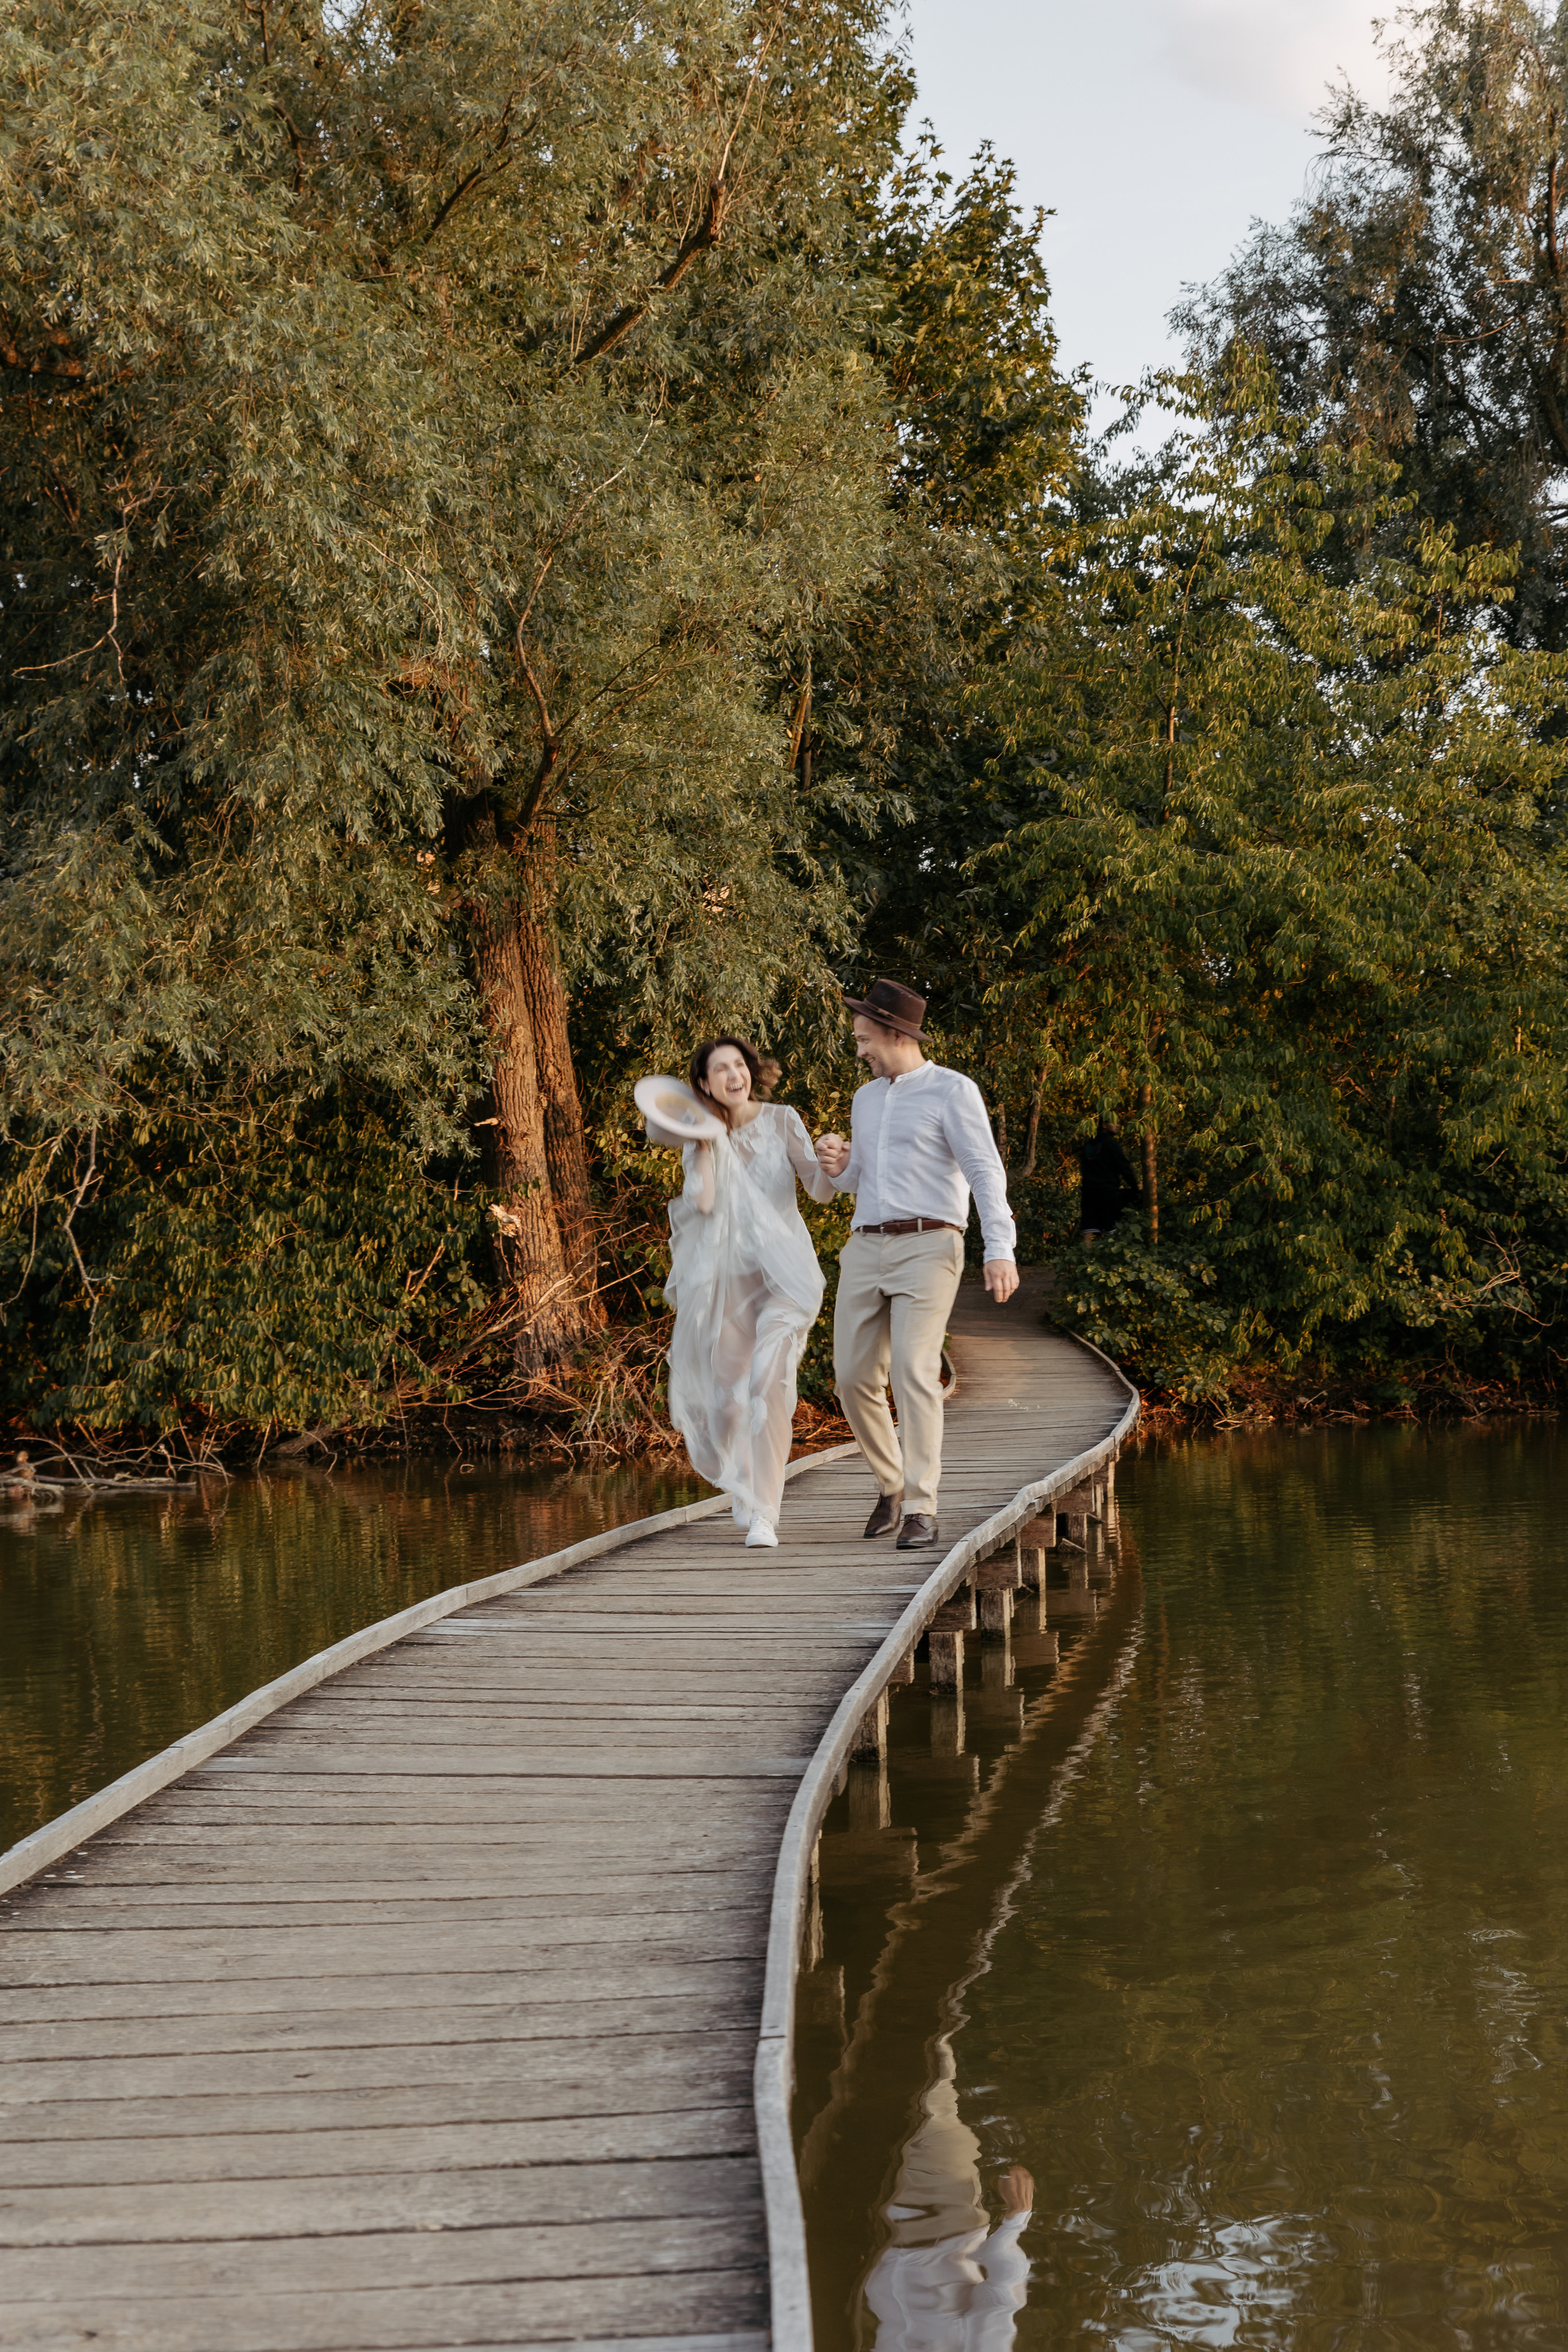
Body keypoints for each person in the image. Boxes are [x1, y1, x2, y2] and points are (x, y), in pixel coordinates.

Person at [815, 979, 1019, 1551]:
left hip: (931, 1245)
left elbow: (985, 1172)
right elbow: (857, 1181)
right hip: (865, 1245)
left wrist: (999, 1248)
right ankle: (893, 1484)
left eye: (864, 1039)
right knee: (853, 1379)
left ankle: (922, 1508)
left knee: (912, 1369)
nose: (859, 1050)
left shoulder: (953, 1091)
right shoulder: (866, 1099)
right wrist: (838, 1164)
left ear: (894, 1033)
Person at [665, 1036, 837, 1548]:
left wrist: (830, 1159)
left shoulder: (784, 1120)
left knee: (769, 1386)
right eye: (721, 1070)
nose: (734, 1075)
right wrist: (700, 1148)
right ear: (704, 1084)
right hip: (729, 1281)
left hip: (786, 1278)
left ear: (750, 1071)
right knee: (728, 1402)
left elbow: (821, 1191)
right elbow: (703, 1202)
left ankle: (766, 1511)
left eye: (739, 1065)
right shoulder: (702, 1135)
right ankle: (739, 1479)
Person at [863, 2037, 1035, 2352]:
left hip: (872, 2242)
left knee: (872, 2103)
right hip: (938, 2215)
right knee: (932, 2100)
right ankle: (928, 2012)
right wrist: (1016, 2218)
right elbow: (1001, 2289)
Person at [1077, 1117, 1141, 1245]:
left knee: (1088, 1228)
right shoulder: (1111, 1144)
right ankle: (1110, 1261)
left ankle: (1084, 1260)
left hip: (1088, 1191)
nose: (1118, 1125)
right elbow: (1125, 1167)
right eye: (1114, 1122)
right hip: (1108, 1191)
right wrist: (1135, 1187)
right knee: (1111, 1229)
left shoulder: (1088, 1145)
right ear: (1104, 1125)